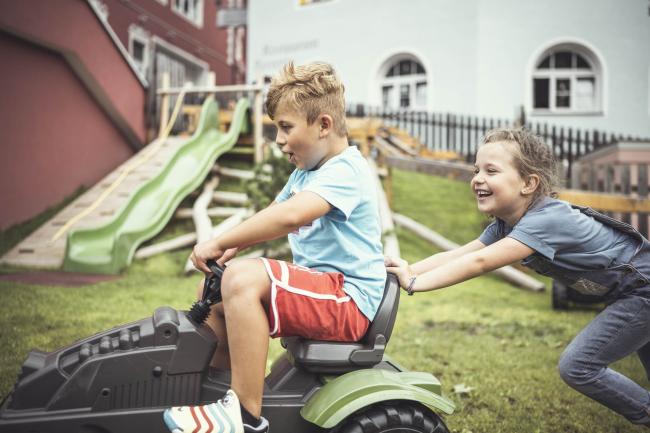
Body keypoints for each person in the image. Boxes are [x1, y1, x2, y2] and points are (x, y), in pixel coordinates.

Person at [163, 62, 386, 433]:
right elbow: (274, 211)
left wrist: (219, 240)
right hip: (324, 292)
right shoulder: (306, 173)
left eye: (285, 128)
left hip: (347, 300)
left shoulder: (346, 170)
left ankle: (245, 415)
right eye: (275, 129)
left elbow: (291, 217)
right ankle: (216, 392)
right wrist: (233, 248)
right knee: (216, 288)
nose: (279, 140)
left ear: (324, 125)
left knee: (242, 280)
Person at [385, 128, 650, 427]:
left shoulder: (546, 219)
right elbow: (459, 254)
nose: (477, 178)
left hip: (642, 290)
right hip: (628, 295)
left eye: (491, 170)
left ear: (528, 183)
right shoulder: (506, 225)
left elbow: (480, 262)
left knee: (578, 365)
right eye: (476, 170)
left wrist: (415, 285)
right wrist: (407, 270)